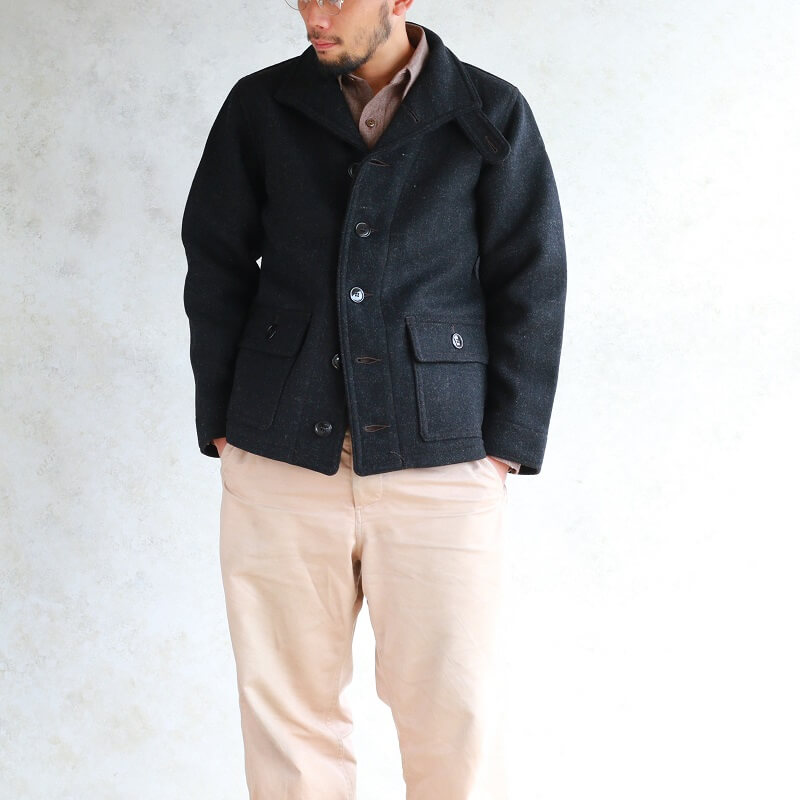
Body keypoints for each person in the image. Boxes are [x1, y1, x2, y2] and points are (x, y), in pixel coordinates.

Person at [181, 0, 567, 796]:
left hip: (444, 455)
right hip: (280, 450)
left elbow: (531, 276)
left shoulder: (488, 110)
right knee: (287, 714)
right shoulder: (261, 104)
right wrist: (222, 418)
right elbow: (215, 259)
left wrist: (507, 442)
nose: (314, 14)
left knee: (453, 713)